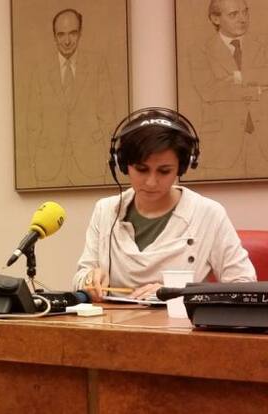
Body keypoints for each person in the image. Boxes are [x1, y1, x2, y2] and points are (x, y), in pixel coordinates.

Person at [73, 108, 256, 301]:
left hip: (178, 320)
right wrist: (89, 280)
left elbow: (244, 285)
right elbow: (81, 276)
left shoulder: (208, 214)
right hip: (113, 319)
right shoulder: (105, 210)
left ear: (182, 167)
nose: (151, 182)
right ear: (123, 164)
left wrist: (177, 293)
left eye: (164, 171)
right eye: (141, 169)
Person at [26, 8, 115, 186]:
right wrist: (34, 161)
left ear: (80, 33)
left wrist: (105, 156)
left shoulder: (97, 65)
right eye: (61, 34)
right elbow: (32, 122)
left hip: (90, 163)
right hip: (49, 166)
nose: (67, 41)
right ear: (54, 36)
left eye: (72, 33)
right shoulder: (40, 70)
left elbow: (108, 117)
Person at [189, 0, 268, 178]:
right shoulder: (200, 50)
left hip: (264, 140)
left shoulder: (263, 45)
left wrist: (238, 77)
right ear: (215, 19)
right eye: (234, 14)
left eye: (245, 12)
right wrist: (256, 90)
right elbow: (209, 91)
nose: (243, 19)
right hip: (223, 144)